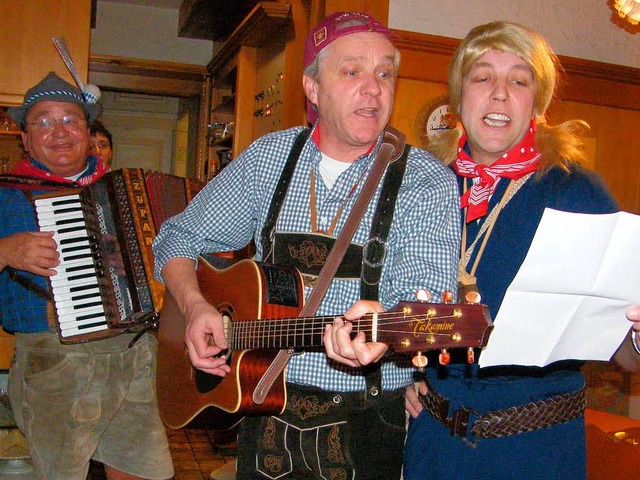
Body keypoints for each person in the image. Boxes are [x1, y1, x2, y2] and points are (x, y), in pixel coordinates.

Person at [152, 11, 460, 480]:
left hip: (368, 418)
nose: (373, 88)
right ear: (313, 89)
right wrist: (195, 307)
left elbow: (428, 295)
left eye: (384, 73)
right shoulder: (269, 158)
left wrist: (388, 328)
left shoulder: (424, 180)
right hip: (266, 406)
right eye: (352, 71)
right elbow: (178, 237)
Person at [400, 21, 640, 479]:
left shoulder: (577, 192)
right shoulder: (423, 183)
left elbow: (623, 353)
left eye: (518, 80)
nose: (499, 94)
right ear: (459, 96)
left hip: (536, 452)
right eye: (482, 76)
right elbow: (396, 303)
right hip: (433, 445)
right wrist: (406, 380)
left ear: (537, 102)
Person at [0, 72, 174, 480]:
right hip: (57, 362)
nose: (58, 131)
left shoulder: (122, 188)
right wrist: (6, 250)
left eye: (70, 120)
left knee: (147, 472)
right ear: (24, 137)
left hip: (135, 353)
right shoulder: (6, 192)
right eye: (42, 121)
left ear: (87, 130)